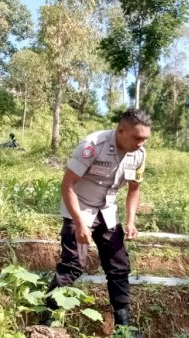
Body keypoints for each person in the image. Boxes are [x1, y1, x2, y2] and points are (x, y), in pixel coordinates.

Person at [41, 108, 150, 336]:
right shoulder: (92, 145)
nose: (141, 143)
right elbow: (67, 185)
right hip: (79, 208)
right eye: (137, 138)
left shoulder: (139, 154)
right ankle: (48, 316)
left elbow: (134, 190)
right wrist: (80, 223)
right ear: (121, 131)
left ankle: (123, 323)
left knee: (119, 266)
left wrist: (130, 221)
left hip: (108, 210)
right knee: (73, 264)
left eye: (145, 139)